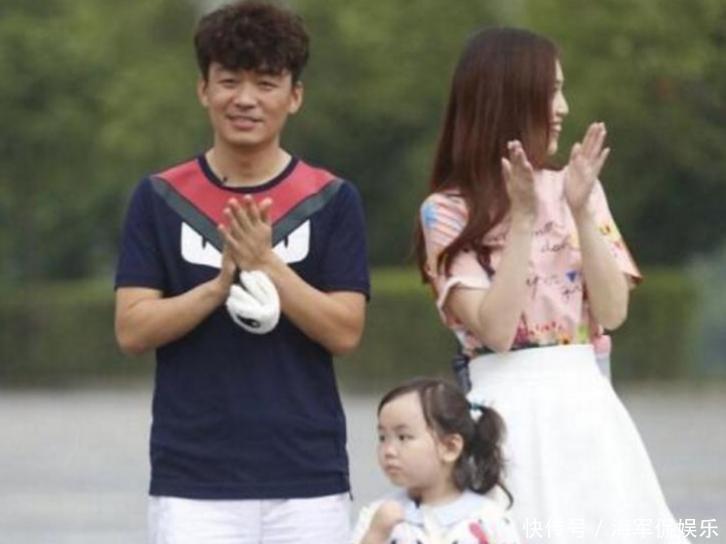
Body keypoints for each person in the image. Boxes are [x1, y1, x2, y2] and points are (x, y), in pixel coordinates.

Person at [415, 28, 689, 543]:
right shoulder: (447, 210)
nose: (562, 108)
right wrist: (522, 219)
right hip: (504, 418)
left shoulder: (577, 187)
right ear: (509, 98)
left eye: (561, 91)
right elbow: (497, 330)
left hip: (589, 406)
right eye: (550, 92)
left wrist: (580, 210)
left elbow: (613, 311)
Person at [114, 2, 369, 542]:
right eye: (229, 81)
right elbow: (132, 329)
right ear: (203, 90)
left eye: (266, 83)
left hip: (307, 477)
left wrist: (267, 265)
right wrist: (218, 286)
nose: (246, 99)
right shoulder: (160, 197)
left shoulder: (331, 198)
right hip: (193, 482)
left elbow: (345, 331)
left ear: (294, 96)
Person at [351, 378, 522, 544]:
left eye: (403, 437)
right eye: (382, 438)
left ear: (450, 447)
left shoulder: (489, 518)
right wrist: (376, 535)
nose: (388, 450)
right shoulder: (377, 515)